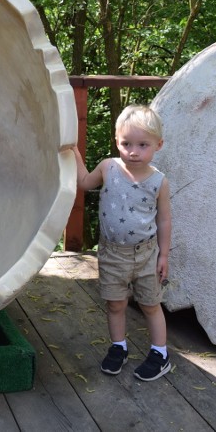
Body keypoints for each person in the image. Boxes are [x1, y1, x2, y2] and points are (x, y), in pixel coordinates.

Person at [72, 105, 173, 381]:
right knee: (115, 304)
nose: (133, 151)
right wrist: (74, 151)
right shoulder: (108, 167)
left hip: (146, 254)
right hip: (112, 254)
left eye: (142, 145)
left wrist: (163, 255)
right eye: (126, 143)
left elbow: (164, 220)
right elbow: (83, 182)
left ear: (158, 145)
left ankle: (159, 353)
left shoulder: (158, 182)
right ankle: (119, 347)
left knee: (151, 304)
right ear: (117, 141)